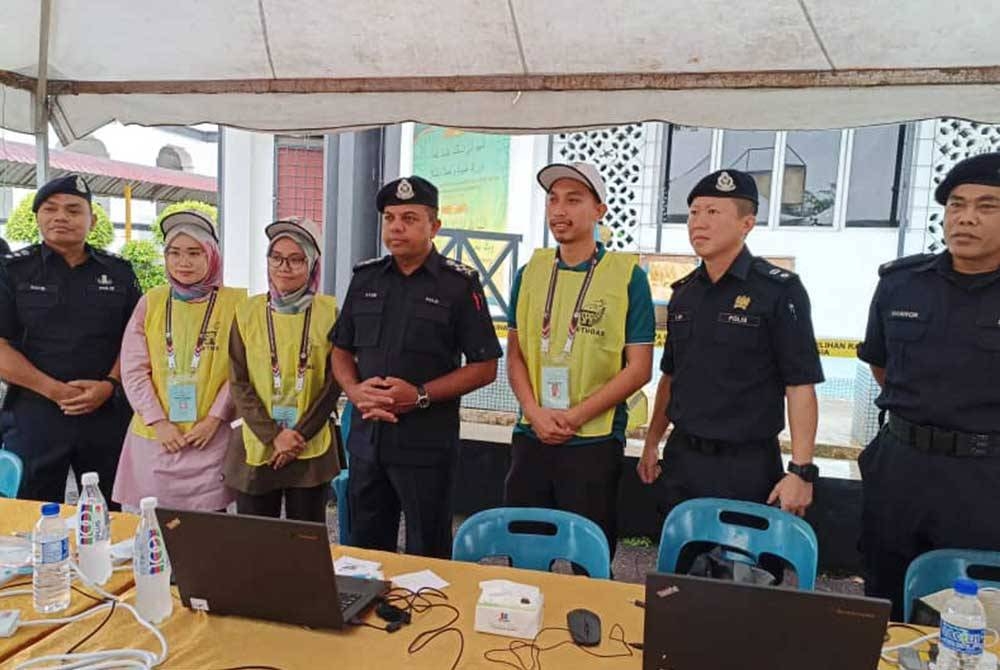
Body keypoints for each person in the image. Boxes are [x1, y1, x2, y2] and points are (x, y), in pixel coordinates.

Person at [638, 169, 824, 564]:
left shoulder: (778, 291)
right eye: (692, 212)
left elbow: (801, 385)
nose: (698, 222)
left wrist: (802, 471)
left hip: (748, 466)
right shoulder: (684, 294)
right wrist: (653, 441)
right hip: (685, 460)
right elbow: (671, 376)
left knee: (745, 587)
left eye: (712, 212)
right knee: (679, 578)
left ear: (747, 223)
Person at [857, 152, 1000, 620]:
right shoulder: (902, 284)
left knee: (975, 611)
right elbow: (881, 366)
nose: (967, 218)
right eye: (956, 205)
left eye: (987, 206)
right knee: (885, 596)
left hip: (985, 476)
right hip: (902, 466)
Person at [331, 176, 501, 558]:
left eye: (409, 218)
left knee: (428, 553)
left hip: (426, 445)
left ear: (434, 226)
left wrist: (420, 396)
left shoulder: (459, 285)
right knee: (365, 556)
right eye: (389, 218)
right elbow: (340, 350)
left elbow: (485, 366)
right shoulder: (365, 279)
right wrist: (355, 392)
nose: (396, 227)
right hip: (367, 441)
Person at [503, 162, 655, 566]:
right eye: (553, 200)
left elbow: (639, 368)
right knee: (526, 547)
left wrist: (573, 417)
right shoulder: (529, 271)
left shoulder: (627, 278)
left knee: (589, 555)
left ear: (599, 210)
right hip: (532, 433)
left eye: (574, 200)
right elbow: (514, 354)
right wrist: (535, 413)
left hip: (594, 439)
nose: (559, 210)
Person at [0, 174, 141, 503]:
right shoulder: (12, 271)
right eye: (50, 209)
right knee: (34, 514)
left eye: (74, 210)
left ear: (92, 221)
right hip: (36, 413)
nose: (61, 216)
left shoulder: (119, 272)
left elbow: (136, 342)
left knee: (109, 512)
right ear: (37, 217)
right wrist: (55, 391)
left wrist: (108, 384)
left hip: (105, 412)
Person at [113, 211, 245, 511]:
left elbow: (242, 369)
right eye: (174, 253)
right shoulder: (151, 301)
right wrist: (158, 421)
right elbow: (133, 369)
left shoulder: (237, 304)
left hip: (210, 437)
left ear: (211, 255)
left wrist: (215, 418)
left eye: (194, 253)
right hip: (156, 436)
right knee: (151, 528)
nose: (183, 262)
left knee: (206, 535)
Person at [223, 218, 339, 522]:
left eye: (296, 259)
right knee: (256, 540)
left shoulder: (330, 313)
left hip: (309, 441)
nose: (284, 267)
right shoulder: (247, 311)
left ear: (312, 264)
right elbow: (239, 380)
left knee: (304, 538)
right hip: (259, 440)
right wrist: (274, 436)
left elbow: (333, 382)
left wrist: (296, 435)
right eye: (276, 257)